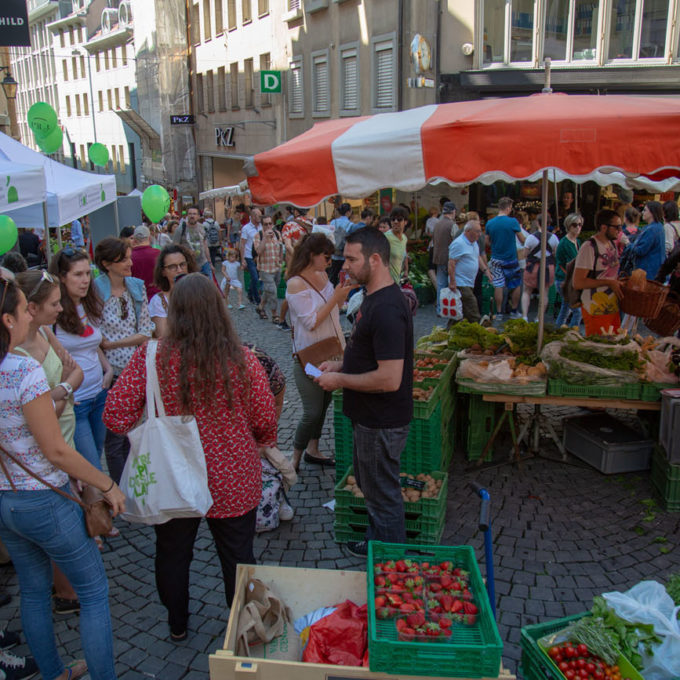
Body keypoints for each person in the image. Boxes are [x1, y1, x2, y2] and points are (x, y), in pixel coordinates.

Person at [103, 273, 277, 641]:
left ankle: (178, 624)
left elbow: (115, 415)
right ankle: (243, 628)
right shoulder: (243, 360)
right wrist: (257, 439)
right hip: (232, 473)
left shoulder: (149, 358)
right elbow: (265, 419)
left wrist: (156, 416)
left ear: (174, 310)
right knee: (238, 557)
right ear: (219, 309)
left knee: (172, 552)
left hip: (174, 472)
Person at [0, 273, 126, 680]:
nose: (28, 315)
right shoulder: (21, 370)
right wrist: (106, 484)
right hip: (44, 497)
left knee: (35, 592)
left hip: (7, 500)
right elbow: (55, 449)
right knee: (93, 591)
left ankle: (54, 672)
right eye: (22, 308)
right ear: (9, 320)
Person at [317, 228, 413, 557]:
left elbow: (389, 379)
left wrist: (341, 381)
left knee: (382, 497)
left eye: (353, 259)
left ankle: (388, 566)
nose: (346, 266)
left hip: (381, 421)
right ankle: (376, 543)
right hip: (370, 419)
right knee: (373, 490)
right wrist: (342, 365)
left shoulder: (387, 308)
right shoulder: (373, 296)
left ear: (375, 259)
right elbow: (371, 354)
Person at [15, 270, 85, 616]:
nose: (61, 309)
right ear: (32, 307)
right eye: (54, 303)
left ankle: (64, 588)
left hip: (64, 438)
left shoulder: (45, 331)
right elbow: (35, 419)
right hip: (45, 456)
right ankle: (65, 593)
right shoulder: (12, 354)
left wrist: (58, 393)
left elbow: (77, 371)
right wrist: (58, 400)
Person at [286, 234, 354, 472]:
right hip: (308, 357)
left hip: (331, 351)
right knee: (312, 411)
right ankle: (294, 457)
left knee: (324, 404)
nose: (329, 260)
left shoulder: (323, 275)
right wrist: (336, 296)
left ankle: (313, 451)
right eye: (326, 256)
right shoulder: (296, 283)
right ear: (311, 255)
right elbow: (311, 321)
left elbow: (330, 311)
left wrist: (340, 299)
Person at [93, 238, 155, 485]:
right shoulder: (95, 290)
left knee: (136, 433)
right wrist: (107, 345)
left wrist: (113, 344)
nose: (130, 263)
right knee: (116, 437)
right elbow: (95, 335)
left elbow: (146, 330)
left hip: (136, 370)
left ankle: (136, 485)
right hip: (112, 372)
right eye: (124, 259)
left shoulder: (136, 287)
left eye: (129, 257)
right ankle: (122, 490)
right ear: (107, 264)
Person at [48, 248, 113, 472]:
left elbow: (92, 346)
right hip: (76, 402)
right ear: (62, 277)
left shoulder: (89, 304)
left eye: (88, 273)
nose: (85, 280)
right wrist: (63, 390)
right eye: (78, 274)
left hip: (99, 394)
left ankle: (93, 506)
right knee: (91, 469)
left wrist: (108, 369)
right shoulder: (52, 314)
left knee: (96, 455)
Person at [573, 209, 623, 336]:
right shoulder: (589, 247)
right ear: (604, 227)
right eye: (616, 226)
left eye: (620, 226)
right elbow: (578, 282)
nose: (620, 230)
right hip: (595, 309)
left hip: (612, 307)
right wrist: (609, 282)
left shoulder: (612, 244)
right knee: (599, 347)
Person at [485, 197, 526, 319]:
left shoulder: (490, 223)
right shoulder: (513, 222)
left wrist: (496, 243)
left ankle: (498, 312)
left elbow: (487, 242)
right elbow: (522, 239)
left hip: (496, 258)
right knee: (516, 284)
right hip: (511, 259)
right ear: (508, 208)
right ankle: (514, 310)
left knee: (498, 285)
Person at [149, 245, 198, 338]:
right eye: (172, 267)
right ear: (163, 271)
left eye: (182, 264)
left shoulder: (200, 293)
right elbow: (163, 336)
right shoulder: (158, 301)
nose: (179, 270)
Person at [447, 220, 490, 323]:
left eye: (480, 231)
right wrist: (452, 282)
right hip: (460, 282)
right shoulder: (458, 243)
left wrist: (486, 270)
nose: (480, 234)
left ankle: (451, 332)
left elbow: (477, 257)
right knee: (472, 307)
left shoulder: (473, 242)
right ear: (468, 231)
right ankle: (477, 329)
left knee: (460, 312)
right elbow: (451, 263)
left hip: (469, 282)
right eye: (477, 231)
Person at [520, 217, 560, 322]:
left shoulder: (531, 238)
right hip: (548, 267)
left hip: (533, 267)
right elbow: (556, 254)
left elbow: (525, 254)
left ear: (538, 223)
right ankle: (539, 317)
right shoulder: (554, 238)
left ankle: (524, 316)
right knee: (544, 292)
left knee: (527, 291)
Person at [554, 213, 583, 327]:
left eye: (580, 225)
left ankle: (558, 330)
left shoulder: (577, 242)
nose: (578, 227)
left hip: (568, 279)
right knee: (577, 312)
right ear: (568, 226)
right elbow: (571, 263)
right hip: (564, 280)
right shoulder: (565, 243)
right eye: (574, 225)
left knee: (565, 308)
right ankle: (571, 333)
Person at [253, 216, 284, 322]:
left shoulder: (277, 234)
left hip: (276, 267)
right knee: (273, 291)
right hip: (265, 269)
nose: (269, 226)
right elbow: (259, 252)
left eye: (270, 223)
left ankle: (260, 306)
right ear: (262, 225)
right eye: (266, 224)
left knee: (269, 290)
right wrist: (265, 238)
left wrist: (281, 259)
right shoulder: (259, 236)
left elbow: (280, 247)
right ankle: (275, 314)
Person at [431, 201, 457, 315]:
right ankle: (449, 309)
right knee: (450, 284)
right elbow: (456, 243)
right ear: (453, 212)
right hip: (449, 259)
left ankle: (440, 309)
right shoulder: (452, 225)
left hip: (438, 257)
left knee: (441, 285)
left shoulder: (437, 224)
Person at [630, 201, 666, 281]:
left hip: (647, 271)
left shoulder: (652, 229)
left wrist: (628, 244)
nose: (642, 212)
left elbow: (640, 250)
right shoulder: (659, 227)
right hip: (654, 270)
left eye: (645, 210)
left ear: (652, 212)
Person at [173, 205, 212, 277]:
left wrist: (210, 263)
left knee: (208, 286)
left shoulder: (202, 227)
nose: (192, 216)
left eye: (194, 214)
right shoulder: (180, 229)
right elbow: (175, 247)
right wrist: (186, 251)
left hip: (203, 263)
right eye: (190, 214)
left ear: (198, 216)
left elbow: (205, 246)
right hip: (189, 265)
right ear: (187, 215)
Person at [240, 207, 263, 305]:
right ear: (253, 216)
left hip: (259, 256)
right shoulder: (246, 228)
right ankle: (257, 299)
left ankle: (250, 293)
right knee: (254, 277)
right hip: (249, 256)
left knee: (258, 276)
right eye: (259, 215)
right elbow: (242, 244)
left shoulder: (261, 226)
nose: (260, 217)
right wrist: (242, 259)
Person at [130, 225, 160, 300]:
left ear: (134, 240)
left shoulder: (129, 257)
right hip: (157, 296)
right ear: (149, 238)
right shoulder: (158, 254)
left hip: (137, 297)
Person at [329, 202, 354, 285]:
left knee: (333, 275)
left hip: (334, 253)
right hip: (344, 254)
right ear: (349, 212)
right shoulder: (351, 225)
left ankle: (332, 292)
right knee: (344, 275)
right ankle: (342, 289)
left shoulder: (333, 222)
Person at [384, 207, 409, 284]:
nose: (395, 221)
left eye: (399, 219)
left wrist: (406, 271)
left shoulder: (404, 238)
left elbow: (404, 255)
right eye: (393, 219)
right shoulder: (385, 237)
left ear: (405, 222)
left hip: (397, 281)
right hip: (385, 283)